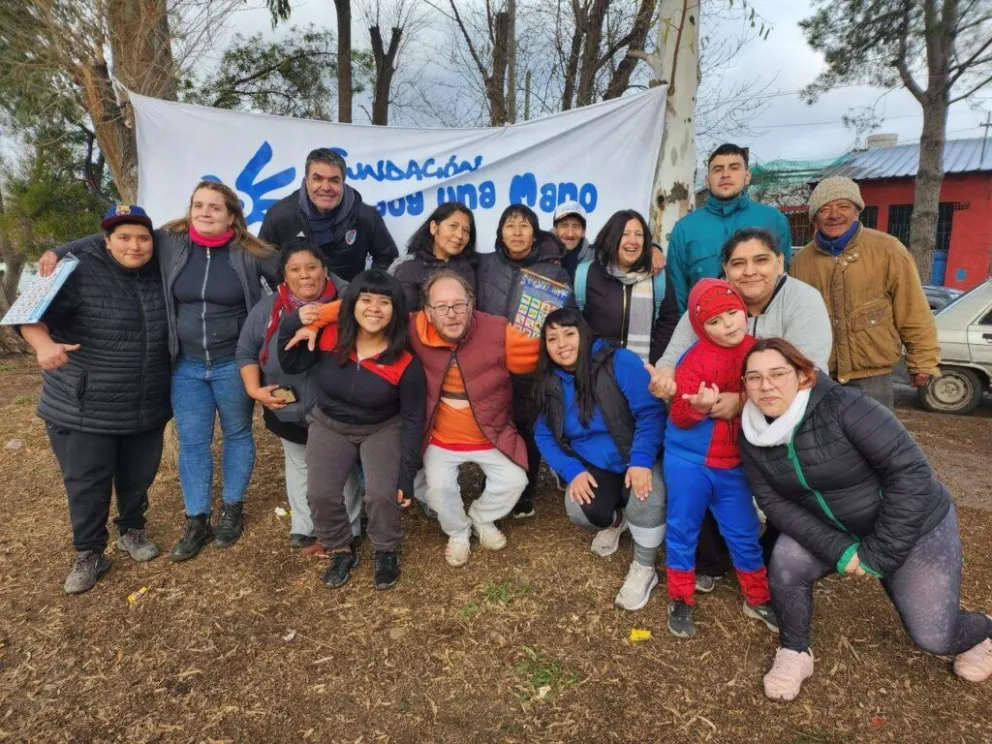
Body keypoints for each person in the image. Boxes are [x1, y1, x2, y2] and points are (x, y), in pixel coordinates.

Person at [739, 338, 992, 701]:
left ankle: (983, 632)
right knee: (786, 560)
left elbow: (911, 474)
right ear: (745, 385)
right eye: (754, 377)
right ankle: (795, 650)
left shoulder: (843, 406)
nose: (766, 385)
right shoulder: (752, 432)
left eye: (778, 373)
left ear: (803, 375)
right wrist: (840, 549)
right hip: (836, 528)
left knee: (935, 637)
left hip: (916, 524)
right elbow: (774, 503)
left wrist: (877, 556)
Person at [290, 269, 540, 567]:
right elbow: (363, 309)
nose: (451, 314)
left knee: (515, 480)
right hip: (439, 435)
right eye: (441, 307)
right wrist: (315, 321)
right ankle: (458, 531)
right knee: (437, 489)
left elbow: (537, 353)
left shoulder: (498, 330)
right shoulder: (412, 327)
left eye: (459, 305)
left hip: (489, 432)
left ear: (471, 303)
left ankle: (481, 518)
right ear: (427, 311)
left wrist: (548, 330)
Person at [650, 227, 833, 584]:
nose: (750, 271)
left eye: (761, 260)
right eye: (738, 263)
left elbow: (810, 375)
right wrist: (663, 379)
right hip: (712, 435)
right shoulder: (708, 302)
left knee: (783, 499)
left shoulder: (802, 301)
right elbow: (672, 359)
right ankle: (710, 564)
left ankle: (775, 565)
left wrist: (743, 399)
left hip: (787, 425)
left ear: (780, 262)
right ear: (725, 270)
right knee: (696, 487)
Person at [18, 205, 171, 594]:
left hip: (145, 401)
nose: (134, 246)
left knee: (138, 475)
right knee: (88, 482)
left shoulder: (163, 270)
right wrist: (43, 345)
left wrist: (64, 244)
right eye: (123, 237)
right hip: (84, 404)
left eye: (142, 237)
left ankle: (132, 529)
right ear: (105, 242)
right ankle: (89, 552)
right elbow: (27, 313)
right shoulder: (74, 270)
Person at [279, 270, 425, 590]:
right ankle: (340, 548)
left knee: (382, 495)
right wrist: (294, 325)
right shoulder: (331, 336)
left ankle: (386, 550)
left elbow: (415, 419)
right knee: (320, 492)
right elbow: (289, 363)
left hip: (381, 427)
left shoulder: (405, 362)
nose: (374, 308)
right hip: (329, 424)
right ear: (352, 304)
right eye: (366, 299)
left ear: (395, 310)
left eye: (384, 302)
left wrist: (406, 476)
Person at [160, 181, 281, 561]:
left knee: (237, 434)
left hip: (234, 364)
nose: (205, 212)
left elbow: (299, 276)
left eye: (215, 206)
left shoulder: (249, 252)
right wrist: (55, 252)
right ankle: (197, 519)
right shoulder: (171, 244)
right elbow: (112, 239)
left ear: (232, 215)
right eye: (198, 205)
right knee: (193, 443)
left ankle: (232, 509)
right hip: (187, 367)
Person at [663, 278, 776, 639]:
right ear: (699, 326)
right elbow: (678, 414)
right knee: (682, 528)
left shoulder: (760, 352)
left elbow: (777, 392)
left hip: (733, 463)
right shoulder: (693, 359)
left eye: (732, 313)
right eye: (714, 321)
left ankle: (757, 597)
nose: (728, 324)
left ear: (744, 310)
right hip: (688, 461)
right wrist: (695, 408)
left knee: (743, 531)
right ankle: (680, 597)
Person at [533, 308, 666, 611]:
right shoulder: (548, 381)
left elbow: (651, 412)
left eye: (569, 334)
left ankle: (644, 567)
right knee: (579, 508)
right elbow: (543, 435)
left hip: (637, 453)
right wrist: (571, 471)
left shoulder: (618, 361)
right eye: (552, 338)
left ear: (584, 333)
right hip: (596, 463)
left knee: (646, 497)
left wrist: (642, 460)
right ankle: (617, 522)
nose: (561, 344)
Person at [236, 239, 361, 549]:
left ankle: (349, 526)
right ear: (284, 275)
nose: (304, 275)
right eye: (295, 269)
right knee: (299, 462)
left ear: (326, 270)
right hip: (287, 405)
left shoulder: (351, 302)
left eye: (311, 267)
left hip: (336, 408)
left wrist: (322, 320)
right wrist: (254, 389)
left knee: (341, 466)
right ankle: (305, 525)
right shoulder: (268, 307)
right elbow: (246, 351)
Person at [789, 176, 939, 409]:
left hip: (873, 375)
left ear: (857, 210)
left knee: (873, 441)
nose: (834, 214)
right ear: (815, 217)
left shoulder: (888, 249)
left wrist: (923, 360)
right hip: (821, 374)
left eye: (843, 206)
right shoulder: (801, 262)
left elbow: (913, 309)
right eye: (825, 208)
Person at [476, 204, 575, 519]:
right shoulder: (484, 265)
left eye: (524, 225)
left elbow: (567, 317)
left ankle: (524, 492)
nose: (517, 232)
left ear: (535, 233)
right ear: (500, 233)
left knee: (527, 429)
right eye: (510, 225)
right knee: (492, 426)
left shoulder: (554, 271)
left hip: (532, 368)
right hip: (490, 364)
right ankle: (492, 486)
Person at [667, 143, 793, 314]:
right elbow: (677, 294)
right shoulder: (685, 228)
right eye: (718, 169)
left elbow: (782, 281)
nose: (725, 174)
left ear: (747, 176)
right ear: (707, 180)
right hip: (705, 330)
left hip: (762, 332)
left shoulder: (774, 220)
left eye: (734, 168)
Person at [259, 147, 398, 281]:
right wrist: (289, 291)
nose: (326, 187)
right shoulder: (279, 215)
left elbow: (387, 257)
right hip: (298, 301)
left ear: (343, 182)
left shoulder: (365, 215)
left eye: (334, 180)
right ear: (306, 181)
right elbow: (263, 261)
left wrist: (364, 290)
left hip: (347, 300)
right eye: (318, 179)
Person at [575, 209, 679, 365]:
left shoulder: (657, 277)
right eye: (625, 234)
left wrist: (652, 362)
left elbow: (669, 321)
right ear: (611, 238)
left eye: (639, 234)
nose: (633, 240)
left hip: (643, 371)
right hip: (596, 371)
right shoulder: (586, 274)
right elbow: (575, 323)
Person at [390, 202, 478, 311]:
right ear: (434, 227)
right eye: (453, 226)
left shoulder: (475, 266)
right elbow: (405, 316)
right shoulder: (408, 268)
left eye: (466, 230)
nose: (460, 235)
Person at [552, 201, 594, 281]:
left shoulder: (594, 258)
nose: (570, 234)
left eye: (576, 226)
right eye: (564, 226)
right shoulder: (539, 253)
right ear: (555, 230)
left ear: (583, 232)